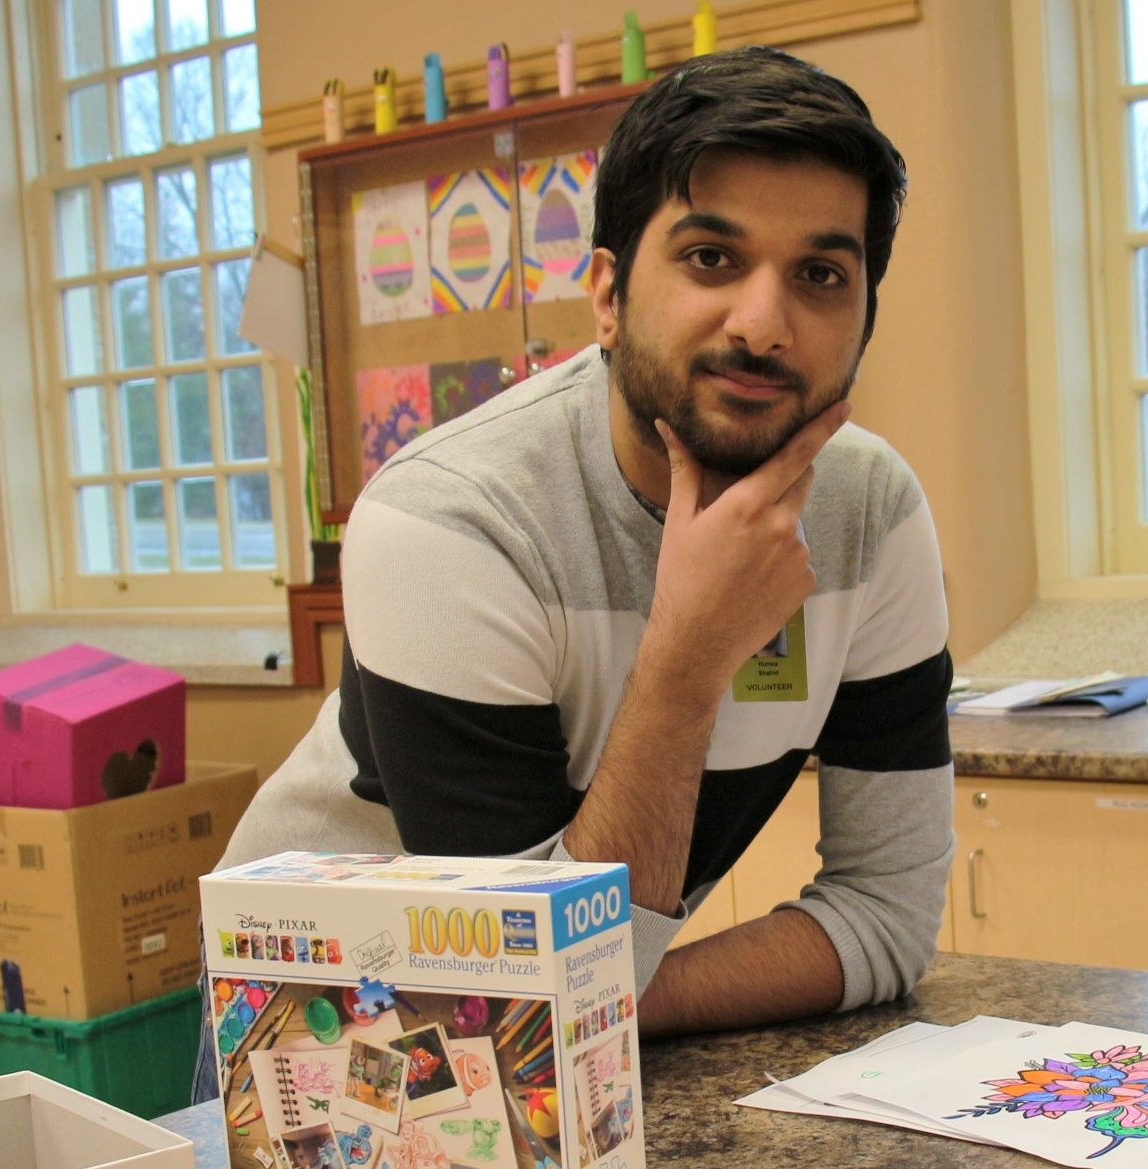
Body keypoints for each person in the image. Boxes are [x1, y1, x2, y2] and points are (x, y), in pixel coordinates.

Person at [215, 45, 954, 1040]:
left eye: (820, 274)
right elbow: (526, 994)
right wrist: (689, 655)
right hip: (315, 1045)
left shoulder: (874, 512)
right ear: (606, 296)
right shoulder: (448, 518)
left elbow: (887, 916)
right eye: (710, 259)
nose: (765, 322)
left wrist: (618, 995)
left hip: (581, 1040)